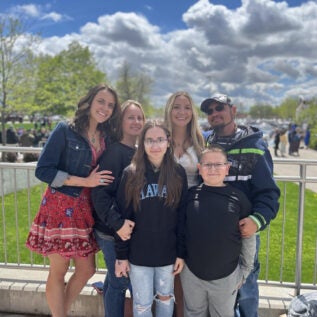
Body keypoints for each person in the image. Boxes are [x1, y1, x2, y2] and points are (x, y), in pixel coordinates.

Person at [25, 83, 121, 317]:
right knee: (59, 269)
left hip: (87, 210)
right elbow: (44, 170)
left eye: (110, 105)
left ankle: (61, 313)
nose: (105, 108)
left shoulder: (107, 136)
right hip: (60, 206)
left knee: (87, 269)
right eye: (101, 101)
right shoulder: (65, 130)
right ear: (89, 102)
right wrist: (84, 182)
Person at [200, 93, 280, 317]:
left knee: (246, 289)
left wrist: (256, 221)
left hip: (243, 232)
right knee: (217, 291)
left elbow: (269, 192)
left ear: (233, 111)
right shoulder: (204, 142)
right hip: (211, 233)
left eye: (219, 108)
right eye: (210, 111)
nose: (214, 113)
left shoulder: (255, 145)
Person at [114, 120, 188, 317]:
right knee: (142, 304)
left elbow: (182, 216)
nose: (155, 146)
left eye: (160, 139)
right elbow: (123, 218)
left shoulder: (178, 173)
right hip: (139, 254)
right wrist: (121, 256)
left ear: (168, 142)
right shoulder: (131, 173)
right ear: (142, 143)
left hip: (168, 252)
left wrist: (180, 252)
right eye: (149, 140)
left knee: (165, 297)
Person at [181, 146, 256, 317]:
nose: (213, 169)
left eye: (218, 164)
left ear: (227, 168)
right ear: (199, 168)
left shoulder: (238, 198)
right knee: (193, 312)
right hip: (192, 274)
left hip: (226, 276)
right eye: (207, 165)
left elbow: (249, 236)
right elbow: (181, 232)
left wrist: (245, 270)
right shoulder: (190, 196)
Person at [91, 100, 145, 317]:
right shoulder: (114, 153)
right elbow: (100, 193)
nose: (136, 122)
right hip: (111, 230)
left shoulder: (139, 152)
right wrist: (118, 223)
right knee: (120, 282)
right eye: (130, 117)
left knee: (115, 279)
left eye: (140, 117)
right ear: (120, 121)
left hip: (127, 231)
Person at [164, 90, 204, 316]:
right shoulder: (159, 136)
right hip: (162, 211)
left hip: (191, 213)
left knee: (184, 269)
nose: (182, 112)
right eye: (177, 107)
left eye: (187, 107)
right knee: (164, 269)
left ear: (192, 112)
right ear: (169, 110)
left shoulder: (200, 140)